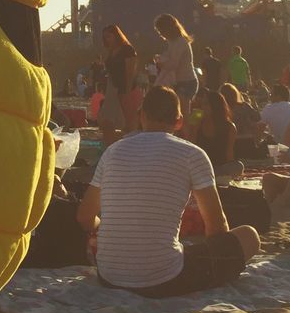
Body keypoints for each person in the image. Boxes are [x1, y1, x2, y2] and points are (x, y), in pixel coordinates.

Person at [76, 85, 260, 297]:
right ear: (179, 121)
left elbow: (84, 217)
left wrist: (108, 230)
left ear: (142, 116)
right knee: (249, 236)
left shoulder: (112, 152)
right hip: (162, 279)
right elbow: (216, 228)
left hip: (109, 276)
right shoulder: (192, 154)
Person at [98, 24, 139, 145]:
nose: (107, 40)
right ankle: (111, 146)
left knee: (128, 119)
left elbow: (130, 71)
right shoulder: (111, 52)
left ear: (116, 36)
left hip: (125, 87)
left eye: (109, 37)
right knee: (107, 120)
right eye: (105, 37)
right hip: (112, 87)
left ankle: (131, 144)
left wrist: (127, 90)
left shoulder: (127, 50)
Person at [153, 14, 197, 111]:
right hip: (181, 82)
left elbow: (173, 64)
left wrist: (161, 64)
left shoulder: (179, 42)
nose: (161, 34)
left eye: (161, 31)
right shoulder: (174, 42)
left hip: (186, 82)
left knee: (182, 112)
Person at [219, 82, 266, 159]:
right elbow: (258, 117)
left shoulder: (222, 109)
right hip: (248, 141)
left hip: (230, 143)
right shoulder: (244, 106)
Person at [261, 83, 290, 155]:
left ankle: (276, 162)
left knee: (270, 141)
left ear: (278, 96)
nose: (269, 97)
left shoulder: (268, 108)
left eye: (271, 95)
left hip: (284, 152)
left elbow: (260, 127)